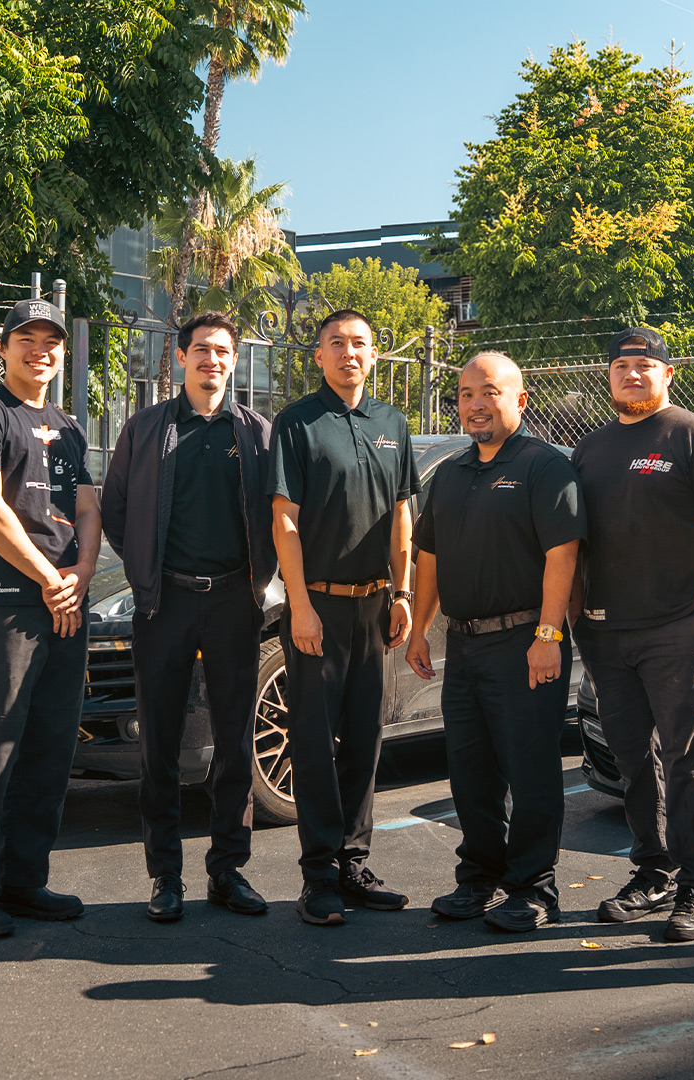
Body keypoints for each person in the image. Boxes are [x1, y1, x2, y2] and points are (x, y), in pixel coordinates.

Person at [571, 327, 694, 942]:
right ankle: (653, 871)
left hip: (679, 629)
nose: (633, 374)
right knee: (631, 760)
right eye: (622, 366)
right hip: (605, 631)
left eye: (645, 365)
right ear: (609, 377)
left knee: (686, 754)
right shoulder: (589, 449)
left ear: (668, 374)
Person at [101, 311, 276, 923]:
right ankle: (165, 875)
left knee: (233, 741)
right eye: (200, 349)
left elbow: (277, 520)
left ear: (234, 360)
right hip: (164, 603)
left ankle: (227, 870)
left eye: (222, 351)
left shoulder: (258, 434)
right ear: (180, 359)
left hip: (234, 601)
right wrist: (148, 570)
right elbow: (116, 512)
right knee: (161, 744)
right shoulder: (146, 428)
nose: (211, 360)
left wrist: (256, 581)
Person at [406, 351, 585, 932]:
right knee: (471, 772)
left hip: (524, 643)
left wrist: (548, 635)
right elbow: (427, 557)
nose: (476, 404)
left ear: (520, 400)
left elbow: (564, 554)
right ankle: (479, 878)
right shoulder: (454, 472)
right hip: (464, 646)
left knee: (531, 770)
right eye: (465, 394)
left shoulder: (543, 467)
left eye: (489, 392)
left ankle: (534, 888)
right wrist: (416, 629)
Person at [0, 298, 101, 938]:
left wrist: (82, 576)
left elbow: (87, 509)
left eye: (51, 341)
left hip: (64, 602)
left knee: (52, 746)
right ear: (4, 348)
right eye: (27, 339)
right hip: (10, 602)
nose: (41, 350)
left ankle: (24, 881)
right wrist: (46, 576)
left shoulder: (67, 425)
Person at [269, 309, 418, 926]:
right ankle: (318, 876)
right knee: (312, 742)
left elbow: (402, 516)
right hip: (318, 607)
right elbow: (284, 522)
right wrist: (300, 605)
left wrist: (404, 594)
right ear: (319, 356)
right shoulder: (297, 423)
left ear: (375, 355)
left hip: (375, 605)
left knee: (364, 741)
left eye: (359, 344)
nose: (348, 353)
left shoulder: (393, 423)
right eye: (337, 344)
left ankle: (355, 863)